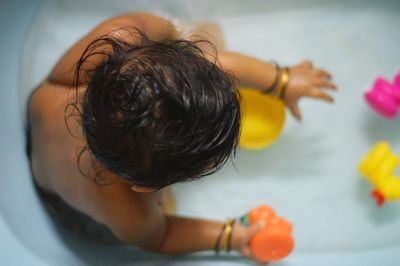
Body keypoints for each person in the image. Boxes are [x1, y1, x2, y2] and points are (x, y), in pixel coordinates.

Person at [27, 12, 336, 262]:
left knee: (201, 42)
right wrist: (230, 236)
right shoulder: (127, 210)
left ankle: (186, 50)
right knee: (166, 208)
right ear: (145, 187)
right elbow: (160, 237)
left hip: (47, 108)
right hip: (65, 204)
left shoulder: (123, 35)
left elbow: (205, 65)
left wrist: (281, 80)